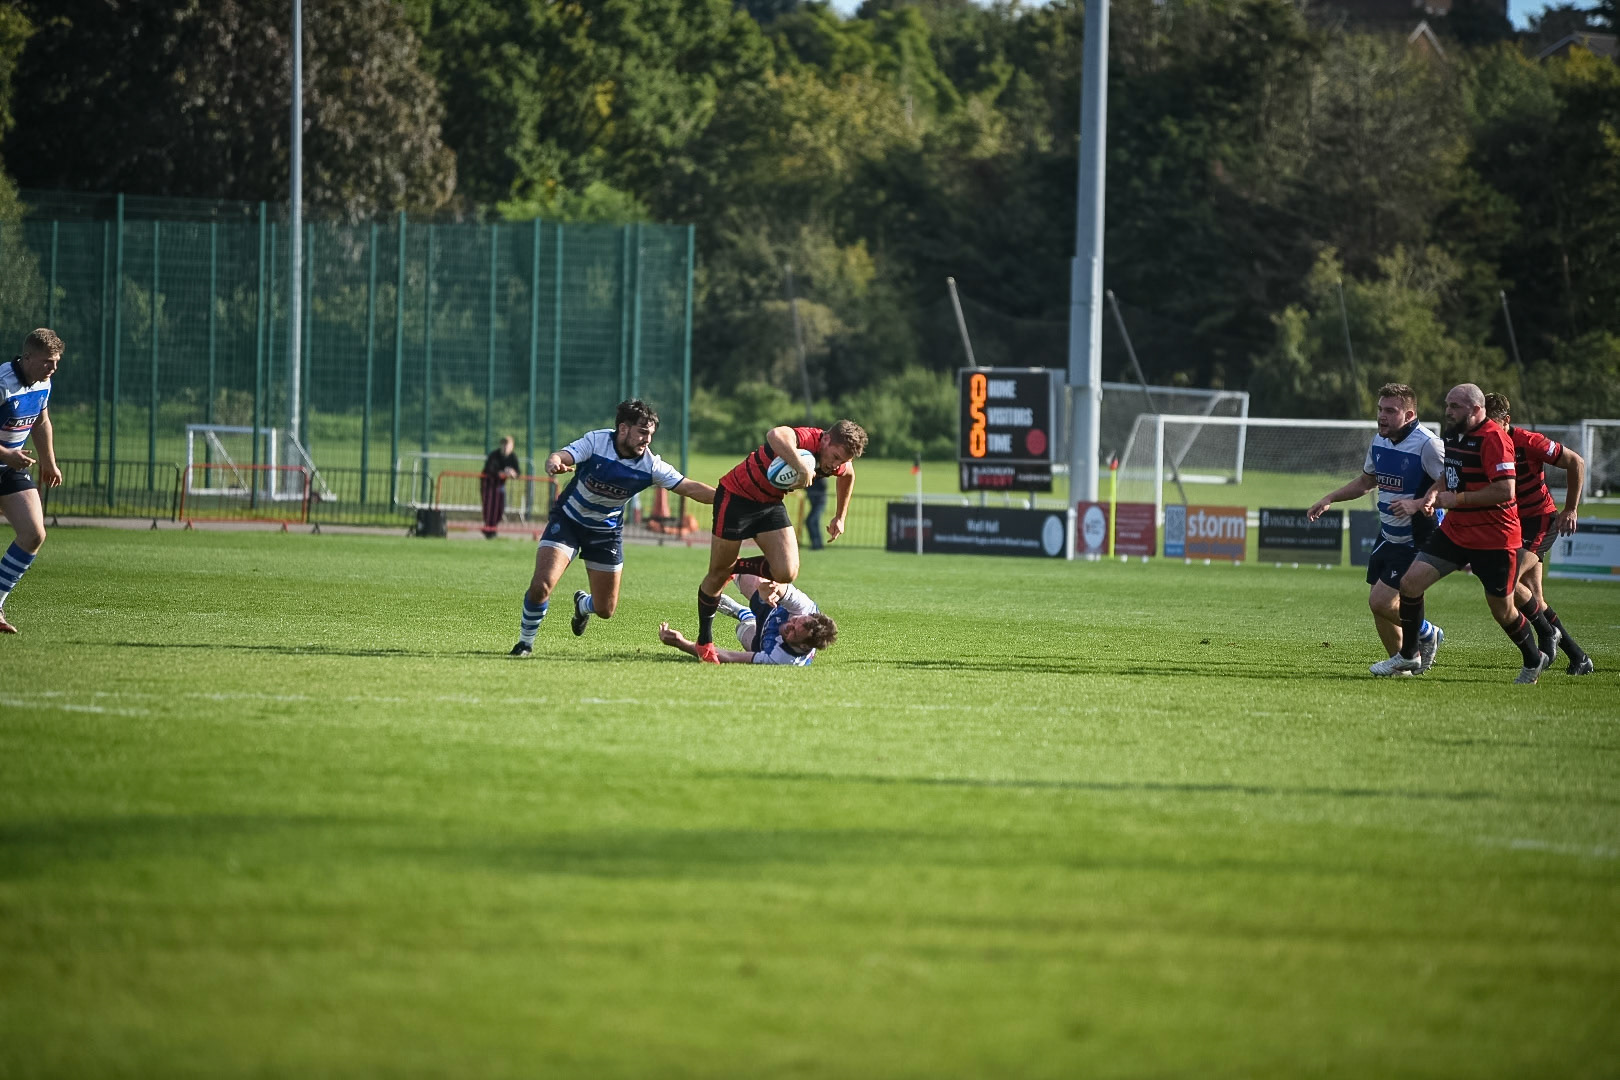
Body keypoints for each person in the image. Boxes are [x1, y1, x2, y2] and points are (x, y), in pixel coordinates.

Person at [1372, 383, 1549, 683]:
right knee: (1410, 583)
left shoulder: (1494, 438)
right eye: (1447, 405)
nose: (1448, 411)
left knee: (1503, 611)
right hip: (1456, 530)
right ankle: (1410, 653)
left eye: (1455, 406)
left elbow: (1505, 490)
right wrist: (1432, 493)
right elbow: (1449, 474)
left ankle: (1534, 658)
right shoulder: (1453, 434)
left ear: (1476, 409)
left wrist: (1457, 499)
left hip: (1494, 536)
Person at [510, 399, 715, 656]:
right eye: (642, 432)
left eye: (651, 434)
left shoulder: (650, 465)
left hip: (605, 533)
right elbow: (563, 455)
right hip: (568, 521)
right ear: (623, 428)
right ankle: (525, 643)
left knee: (605, 609)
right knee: (542, 585)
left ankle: (582, 605)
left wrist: (729, 498)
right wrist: (554, 461)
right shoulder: (597, 442)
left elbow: (690, 487)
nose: (647, 440)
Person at [691, 420, 867, 662]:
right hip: (736, 498)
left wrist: (840, 516)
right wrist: (801, 466)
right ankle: (704, 641)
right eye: (835, 456)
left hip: (769, 505)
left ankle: (733, 567)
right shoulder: (808, 439)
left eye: (841, 460)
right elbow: (775, 434)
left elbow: (848, 474)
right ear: (826, 439)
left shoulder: (835, 462)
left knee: (787, 571)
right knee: (715, 576)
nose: (835, 464)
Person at [1307, 383, 1447, 670]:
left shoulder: (1428, 445)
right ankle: (1404, 663)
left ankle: (1427, 633)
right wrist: (1330, 498)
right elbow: (1366, 482)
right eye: (1380, 409)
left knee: (1380, 601)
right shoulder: (1379, 442)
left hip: (1418, 536)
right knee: (1380, 607)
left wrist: (1417, 504)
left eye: (1390, 411)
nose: (1382, 416)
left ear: (1409, 415)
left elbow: (1453, 484)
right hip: (1388, 534)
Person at [1483, 393, 1594, 675]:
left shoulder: (1528, 441)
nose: (1487, 431)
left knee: (1506, 580)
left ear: (1506, 421)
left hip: (1540, 521)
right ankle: (1579, 658)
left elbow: (1576, 462)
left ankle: (1546, 633)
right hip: (1512, 524)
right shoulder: (1483, 443)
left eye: (1492, 424)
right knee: (1534, 597)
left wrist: (1571, 509)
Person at [0, 329, 64, 635]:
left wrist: (49, 462)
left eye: (56, 362)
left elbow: (41, 420)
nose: (53, 368)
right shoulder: (3, 383)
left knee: (34, 533)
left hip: (9, 469)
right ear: (27, 358)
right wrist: (6, 454)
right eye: (47, 361)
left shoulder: (43, 382)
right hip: (7, 459)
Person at [658, 573, 837, 665]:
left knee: (742, 630)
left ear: (804, 646)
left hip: (761, 641)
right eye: (795, 621)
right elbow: (782, 588)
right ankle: (747, 604)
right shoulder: (804, 608)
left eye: (793, 632)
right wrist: (772, 587)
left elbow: (731, 657)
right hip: (773, 608)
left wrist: (681, 643)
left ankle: (745, 615)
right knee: (750, 577)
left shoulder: (782, 658)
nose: (788, 624)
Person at [480, 435, 521, 539]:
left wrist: (513, 473)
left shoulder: (513, 457)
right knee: (489, 507)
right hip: (488, 484)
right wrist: (502, 472)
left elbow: (518, 472)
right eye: (504, 445)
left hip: (500, 485)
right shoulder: (494, 455)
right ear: (501, 445)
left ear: (512, 446)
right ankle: (489, 529)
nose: (506, 447)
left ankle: (492, 527)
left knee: (500, 508)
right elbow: (489, 469)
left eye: (508, 445)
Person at [803, 473, 827, 551]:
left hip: (820, 503)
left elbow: (823, 485)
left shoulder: (819, 477)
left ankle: (817, 544)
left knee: (811, 521)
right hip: (816, 503)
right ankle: (816, 544)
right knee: (813, 522)